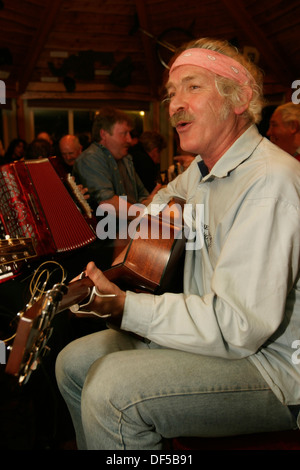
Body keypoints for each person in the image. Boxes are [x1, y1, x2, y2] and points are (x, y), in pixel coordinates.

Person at [55, 37, 300, 450]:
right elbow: (168, 195)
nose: (174, 104)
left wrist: (126, 306)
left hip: (272, 367)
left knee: (111, 391)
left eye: (192, 87)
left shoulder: (269, 182)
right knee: (72, 363)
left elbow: (238, 328)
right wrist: (151, 226)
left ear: (238, 98)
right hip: (214, 339)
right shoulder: (205, 169)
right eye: (171, 93)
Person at [73, 107, 159, 215]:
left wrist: (150, 201)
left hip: (131, 228)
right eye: (123, 134)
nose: (129, 139)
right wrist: (144, 213)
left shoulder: (125, 158)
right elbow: (108, 203)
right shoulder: (90, 158)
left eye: (129, 134)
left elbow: (142, 196)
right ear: (103, 134)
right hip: (106, 231)